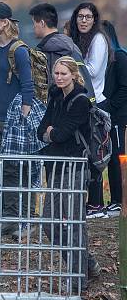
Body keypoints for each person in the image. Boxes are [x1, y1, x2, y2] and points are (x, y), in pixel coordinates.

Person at [37, 56, 101, 284]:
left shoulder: (81, 100)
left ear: (74, 74)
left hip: (75, 167)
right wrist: (52, 132)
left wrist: (53, 132)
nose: (59, 77)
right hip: (55, 167)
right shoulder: (55, 97)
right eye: (56, 73)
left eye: (64, 73)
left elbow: (61, 134)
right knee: (48, 223)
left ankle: (78, 278)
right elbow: (41, 130)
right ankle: (87, 262)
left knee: (74, 223)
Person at [0, 2, 38, 238]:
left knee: (21, 171)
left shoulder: (20, 50)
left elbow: (28, 86)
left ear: (5, 23)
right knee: (6, 171)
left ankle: (26, 220)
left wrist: (23, 118)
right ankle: (10, 219)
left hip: (16, 121)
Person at [69, 2, 113, 218]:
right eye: (80, 16)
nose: (83, 20)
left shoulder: (98, 40)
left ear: (94, 19)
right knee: (82, 152)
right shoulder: (76, 39)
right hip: (81, 101)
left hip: (96, 102)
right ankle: (86, 202)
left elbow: (94, 71)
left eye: (88, 17)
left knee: (95, 153)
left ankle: (96, 204)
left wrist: (72, 66)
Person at [30, 3, 94, 96]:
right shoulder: (72, 45)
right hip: (79, 101)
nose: (33, 27)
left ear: (42, 23)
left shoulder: (45, 51)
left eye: (34, 23)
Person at [102, 20, 127, 215]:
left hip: (117, 116)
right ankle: (113, 199)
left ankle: (119, 200)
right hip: (105, 115)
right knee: (108, 157)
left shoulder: (119, 57)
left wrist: (109, 106)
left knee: (118, 157)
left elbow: (124, 88)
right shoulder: (104, 59)